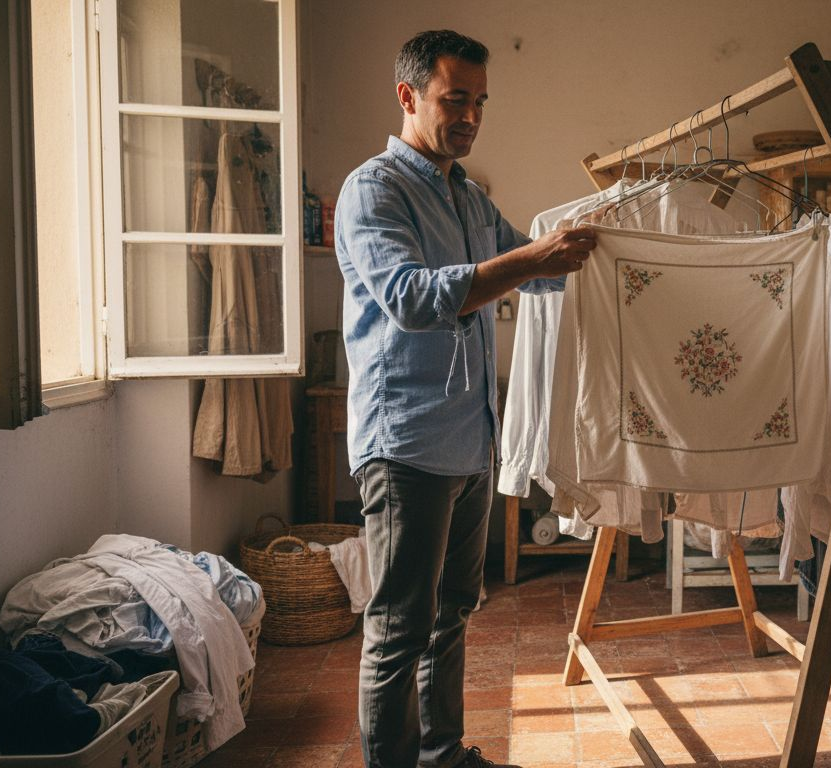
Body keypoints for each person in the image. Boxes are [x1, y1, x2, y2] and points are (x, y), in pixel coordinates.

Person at [335, 29, 595, 768]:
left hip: (469, 438)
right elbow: (412, 298)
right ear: (408, 96)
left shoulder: (469, 198)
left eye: (480, 102)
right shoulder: (373, 190)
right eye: (456, 99)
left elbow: (533, 272)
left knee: (452, 615)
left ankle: (442, 754)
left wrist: (595, 252)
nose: (471, 116)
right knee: (398, 627)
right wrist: (531, 258)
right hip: (406, 443)